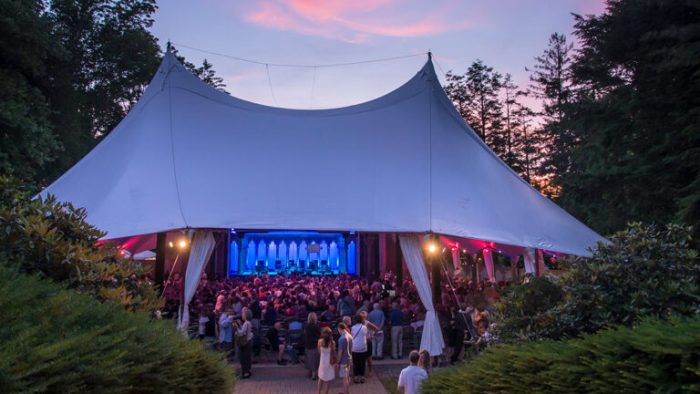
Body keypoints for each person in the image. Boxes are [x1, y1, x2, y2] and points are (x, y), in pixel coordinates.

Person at [235, 307, 254, 379]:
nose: (242, 315)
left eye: (243, 314)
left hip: (245, 342)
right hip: (248, 341)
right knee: (247, 357)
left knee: (244, 358)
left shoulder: (246, 323)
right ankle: (247, 371)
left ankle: (244, 373)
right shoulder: (249, 323)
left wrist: (236, 327)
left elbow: (241, 333)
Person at [316, 326, 336, 394]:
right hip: (329, 362)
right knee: (328, 378)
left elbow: (319, 351)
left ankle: (318, 392)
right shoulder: (332, 343)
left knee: (321, 378)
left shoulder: (319, 341)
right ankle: (326, 392)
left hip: (322, 361)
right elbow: (333, 353)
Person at [350, 314, 368, 384]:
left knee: (355, 363)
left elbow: (352, 336)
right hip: (363, 347)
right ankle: (362, 377)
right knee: (362, 362)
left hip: (355, 347)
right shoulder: (364, 327)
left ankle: (356, 377)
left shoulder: (353, 328)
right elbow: (365, 335)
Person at [336, 322, 352, 394]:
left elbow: (340, 352)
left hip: (343, 360)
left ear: (339, 329)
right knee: (347, 377)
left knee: (344, 378)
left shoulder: (342, 338)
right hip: (349, 359)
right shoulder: (349, 335)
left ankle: (346, 392)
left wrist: (338, 362)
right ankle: (346, 391)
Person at [305, 312, 321, 380]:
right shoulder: (316, 326)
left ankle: (310, 373)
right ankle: (314, 375)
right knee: (315, 360)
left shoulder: (306, 326)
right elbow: (319, 335)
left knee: (309, 359)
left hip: (308, 345)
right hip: (315, 344)